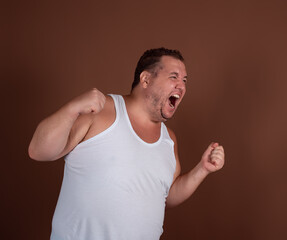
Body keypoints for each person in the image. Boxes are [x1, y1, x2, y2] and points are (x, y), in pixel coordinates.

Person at [28, 47, 225, 240]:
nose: (181, 86)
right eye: (173, 77)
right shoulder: (101, 111)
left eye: (184, 80)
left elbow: (167, 195)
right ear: (146, 79)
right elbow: (38, 151)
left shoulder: (169, 140)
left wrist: (202, 169)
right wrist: (72, 109)